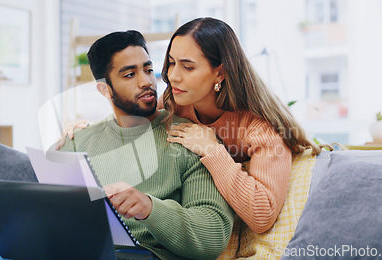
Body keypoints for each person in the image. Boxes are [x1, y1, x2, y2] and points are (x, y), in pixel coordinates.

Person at [60, 17, 327, 236]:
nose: (171, 76)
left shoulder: (260, 129)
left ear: (220, 73)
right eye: (171, 63)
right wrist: (86, 129)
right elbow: (132, 113)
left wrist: (213, 150)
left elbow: (262, 216)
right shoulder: (177, 101)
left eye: (187, 67)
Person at [56, 30, 234, 260]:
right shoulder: (76, 143)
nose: (147, 82)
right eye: (130, 75)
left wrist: (149, 208)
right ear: (104, 89)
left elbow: (213, 236)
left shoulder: (191, 138)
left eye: (148, 70)